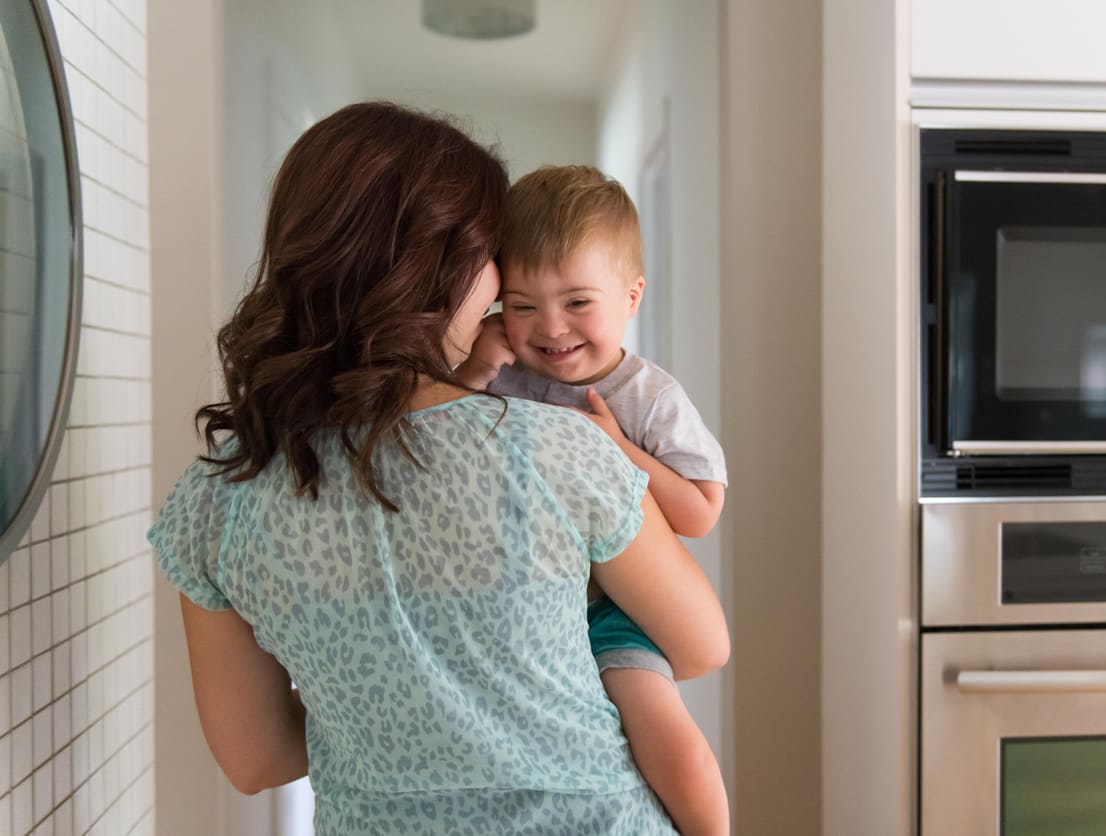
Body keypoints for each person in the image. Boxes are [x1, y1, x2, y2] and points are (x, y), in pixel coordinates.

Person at [147, 102, 728, 835]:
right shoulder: (560, 446)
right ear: (443, 269)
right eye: (491, 257)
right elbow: (702, 644)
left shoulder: (217, 500)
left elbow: (256, 759)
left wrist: (390, 710)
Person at [458, 165, 730, 835]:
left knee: (675, 749)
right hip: (521, 612)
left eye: (578, 302)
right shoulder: (502, 376)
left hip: (614, 615)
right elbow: (448, 446)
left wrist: (618, 449)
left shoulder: (650, 397)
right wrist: (472, 370)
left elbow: (700, 510)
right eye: (523, 306)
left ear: (631, 296)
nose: (551, 327)